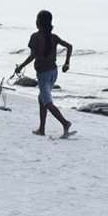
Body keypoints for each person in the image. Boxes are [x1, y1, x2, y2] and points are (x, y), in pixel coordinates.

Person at [15, 10, 74, 138]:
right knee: (41, 99)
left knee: (47, 101)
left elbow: (33, 56)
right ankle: (41, 129)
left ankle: (65, 123)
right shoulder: (54, 37)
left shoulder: (35, 37)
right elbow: (69, 46)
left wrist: (20, 66)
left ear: (38, 22)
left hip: (43, 75)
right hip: (54, 72)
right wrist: (67, 64)